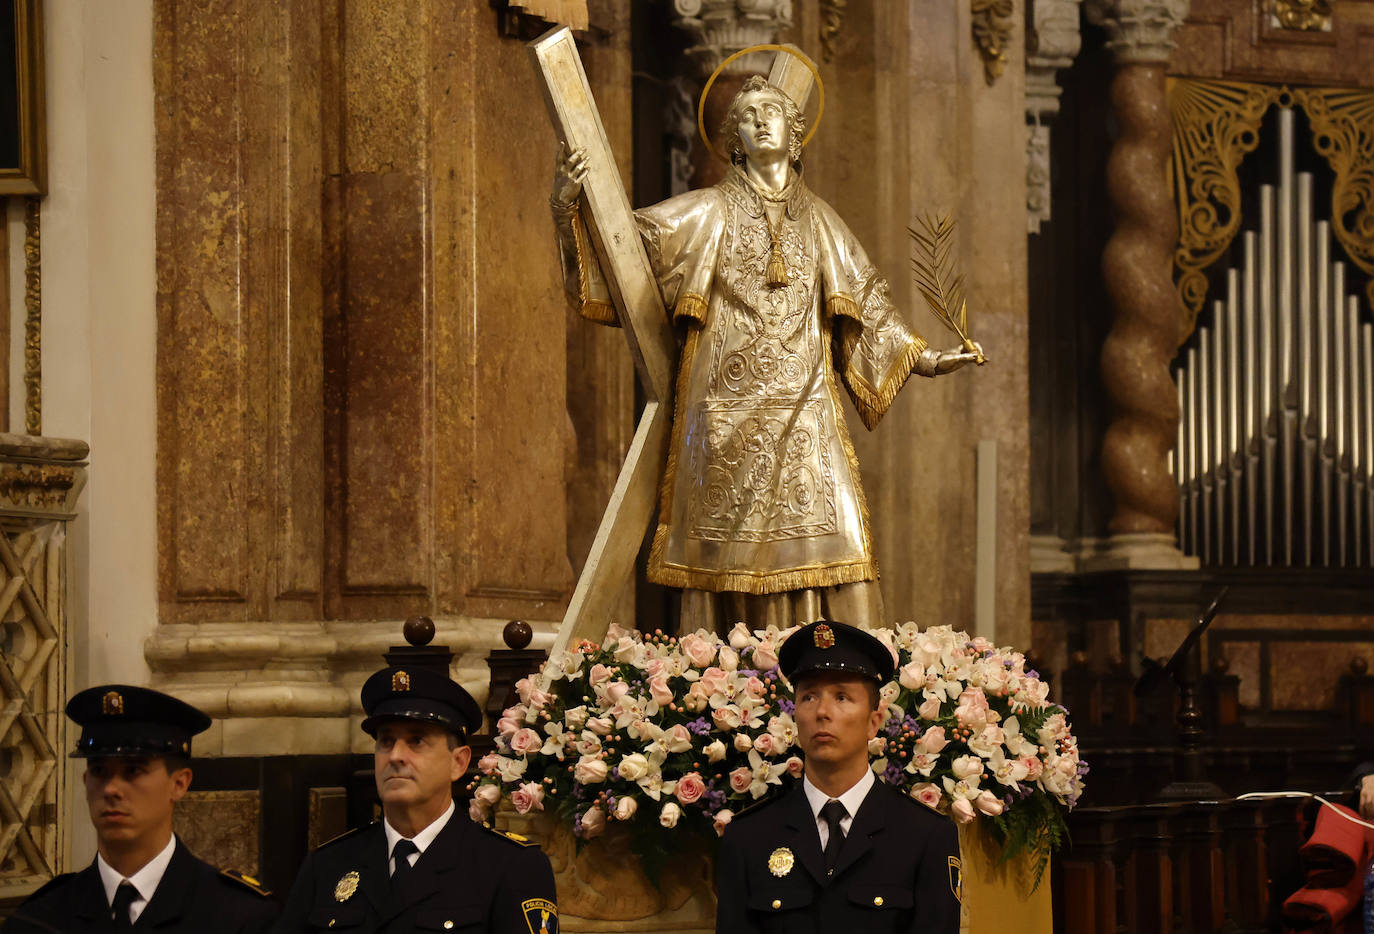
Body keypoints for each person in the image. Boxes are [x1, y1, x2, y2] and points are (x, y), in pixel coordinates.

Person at [551, 74, 982, 630]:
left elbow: (869, 306)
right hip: (725, 417)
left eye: (771, 110)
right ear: (734, 142)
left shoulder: (822, 220)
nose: (759, 118)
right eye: (747, 114)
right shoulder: (703, 213)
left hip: (807, 414)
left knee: (838, 539)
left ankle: (838, 672)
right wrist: (567, 209)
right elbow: (620, 253)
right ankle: (731, 686)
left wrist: (926, 358)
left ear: (795, 135)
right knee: (725, 556)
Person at [714, 621, 962, 933]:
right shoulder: (748, 838)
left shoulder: (925, 836)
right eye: (809, 697)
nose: (822, 712)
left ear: (874, 722)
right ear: (795, 717)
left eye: (842, 696)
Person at [273, 666, 558, 933]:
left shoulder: (509, 866)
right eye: (386, 741)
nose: (395, 756)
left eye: (416, 741)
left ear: (458, 763)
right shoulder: (328, 865)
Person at [4, 685, 277, 934]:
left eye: (133, 771)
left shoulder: (239, 917)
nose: (111, 789)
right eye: (99, 771)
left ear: (179, 784)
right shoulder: (41, 919)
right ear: (86, 782)